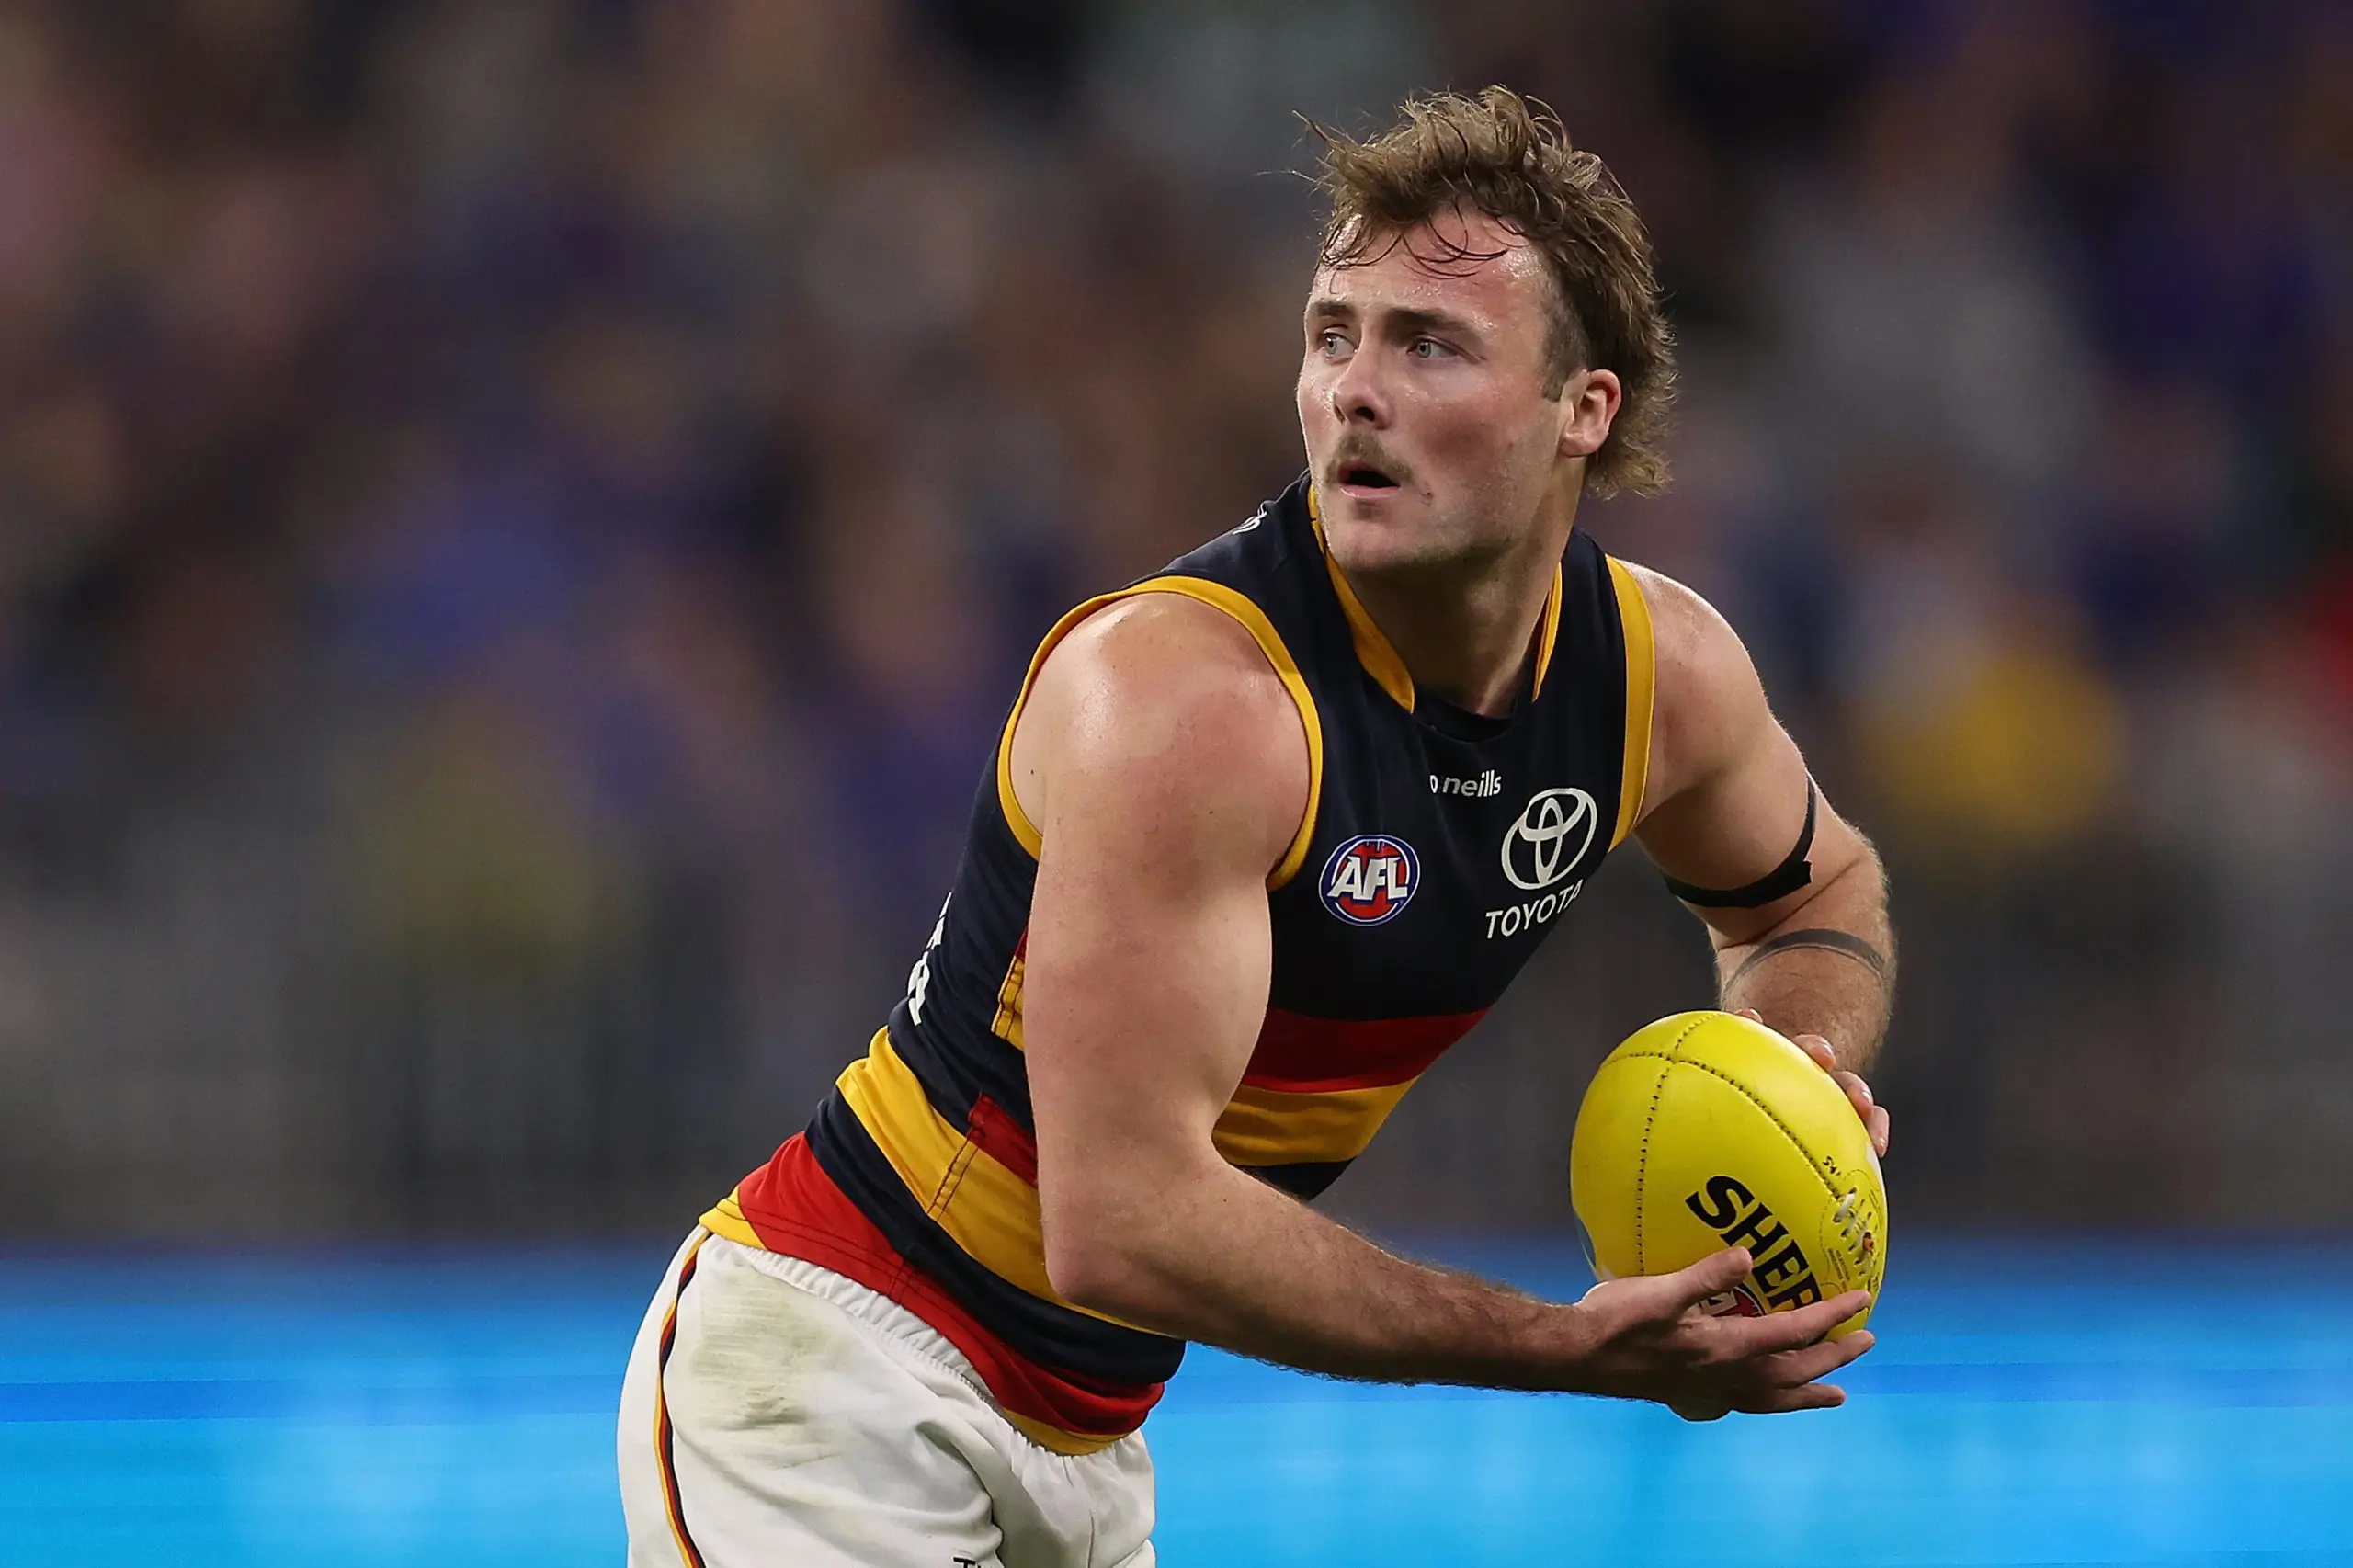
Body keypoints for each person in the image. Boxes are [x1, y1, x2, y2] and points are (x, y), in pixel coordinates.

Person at [619, 86, 1895, 1568]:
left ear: (1581, 410)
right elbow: (1128, 1220)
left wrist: (1798, 1064)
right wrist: (1563, 1345)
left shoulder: (1656, 676)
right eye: (1334, 332)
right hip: (842, 1375)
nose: (1355, 388)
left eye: (1430, 343)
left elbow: (1817, 891)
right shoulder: (1189, 699)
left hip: (1093, 1439)